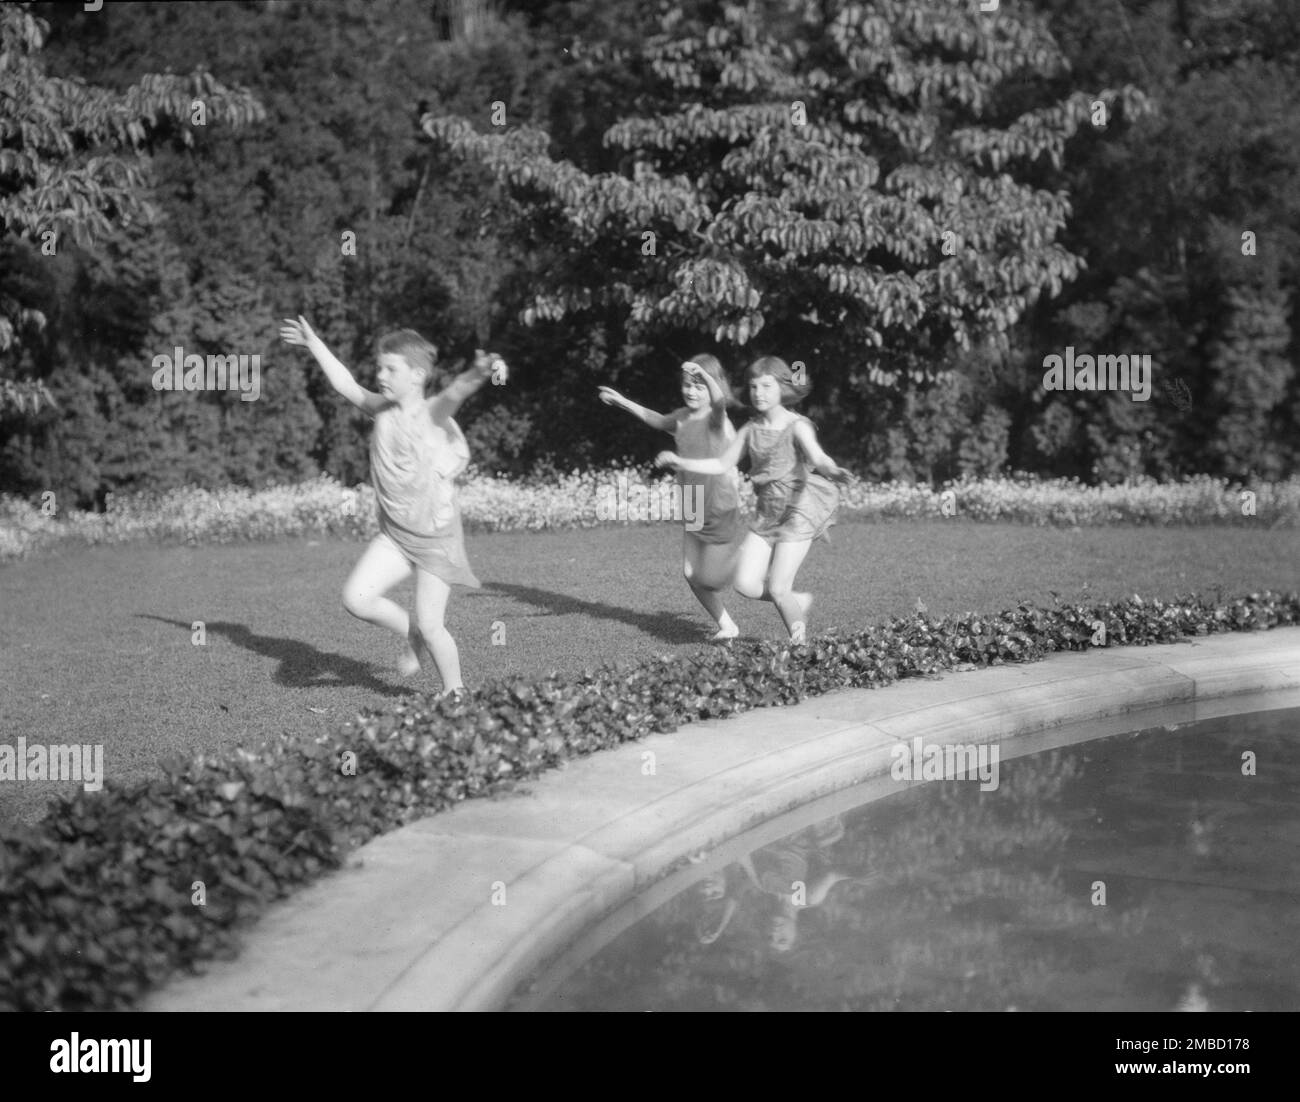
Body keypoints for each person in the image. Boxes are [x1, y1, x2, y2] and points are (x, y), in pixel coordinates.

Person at [280, 316, 503, 695]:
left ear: (416, 375)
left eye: (390, 368)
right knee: (357, 599)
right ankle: (410, 633)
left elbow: (456, 392)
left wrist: (481, 371)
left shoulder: (431, 413)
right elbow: (345, 383)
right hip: (396, 536)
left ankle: (456, 692)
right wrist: (313, 341)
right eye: (379, 367)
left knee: (434, 625)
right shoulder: (381, 409)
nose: (380, 374)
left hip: (435, 541)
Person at [655, 356, 849, 644]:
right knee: (745, 585)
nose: (759, 393)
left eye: (767, 386)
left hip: (798, 511)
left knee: (779, 587)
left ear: (783, 387)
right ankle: (796, 603)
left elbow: (818, 456)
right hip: (766, 514)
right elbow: (721, 464)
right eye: (754, 387)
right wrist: (680, 461)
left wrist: (830, 468)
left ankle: (799, 644)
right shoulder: (749, 429)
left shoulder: (797, 426)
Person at [598, 355, 743, 639]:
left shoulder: (716, 418)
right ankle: (727, 624)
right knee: (691, 574)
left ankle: (748, 564)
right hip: (693, 500)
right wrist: (623, 402)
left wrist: (704, 373)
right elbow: (659, 420)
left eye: (698, 386)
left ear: (712, 387)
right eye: (688, 385)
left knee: (711, 578)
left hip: (718, 501)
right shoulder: (682, 416)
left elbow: (719, 401)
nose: (691, 391)